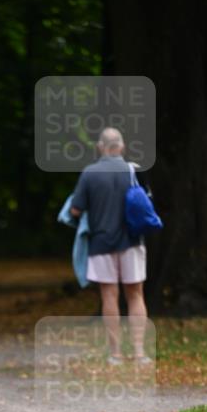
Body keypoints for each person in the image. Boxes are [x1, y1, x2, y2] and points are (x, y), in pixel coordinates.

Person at [70, 127, 151, 364]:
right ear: (122, 147)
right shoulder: (134, 171)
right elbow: (146, 203)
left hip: (101, 242)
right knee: (135, 295)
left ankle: (115, 353)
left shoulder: (90, 173)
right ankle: (139, 352)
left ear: (100, 147)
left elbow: (76, 209)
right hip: (132, 241)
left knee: (109, 296)